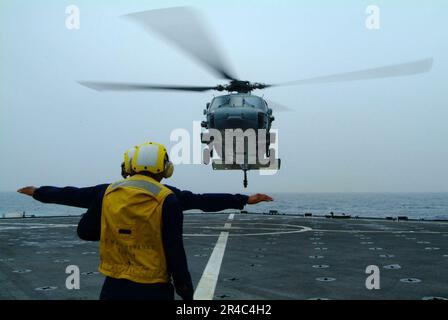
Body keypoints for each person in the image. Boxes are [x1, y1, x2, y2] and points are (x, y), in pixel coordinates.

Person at [18, 142, 273, 300]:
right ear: (165, 169)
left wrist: (38, 192)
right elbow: (198, 208)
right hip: (153, 289)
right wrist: (243, 199)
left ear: (129, 165)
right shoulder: (167, 197)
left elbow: (68, 194)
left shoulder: (106, 191)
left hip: (114, 286)